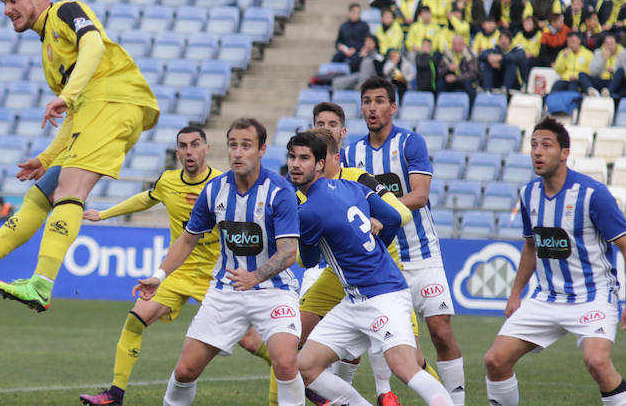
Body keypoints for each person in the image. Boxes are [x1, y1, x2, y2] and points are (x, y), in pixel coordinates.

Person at [0, 0, 159, 312]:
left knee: (69, 191)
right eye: (4, 2)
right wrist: (48, 158)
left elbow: (93, 44)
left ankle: (41, 284)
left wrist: (68, 95)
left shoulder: (65, 11)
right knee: (40, 196)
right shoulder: (48, 52)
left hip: (117, 101)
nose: (7, 9)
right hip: (98, 109)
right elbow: (77, 113)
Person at [78, 127, 270, 406]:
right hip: (177, 270)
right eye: (183, 146)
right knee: (135, 320)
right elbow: (145, 199)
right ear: (177, 152)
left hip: (217, 274)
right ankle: (115, 394)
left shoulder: (224, 182)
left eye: (194, 145)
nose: (189, 151)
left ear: (206, 149)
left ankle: (294, 370)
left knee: (251, 342)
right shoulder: (168, 181)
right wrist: (105, 213)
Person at [133, 118, 305, 406]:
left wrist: (255, 277)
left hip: (275, 292)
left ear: (262, 149)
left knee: (286, 363)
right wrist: (159, 276)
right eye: (233, 145)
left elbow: (289, 251)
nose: (238, 152)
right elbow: (187, 239)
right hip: (226, 292)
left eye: (246, 146)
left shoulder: (279, 191)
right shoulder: (214, 191)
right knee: (185, 371)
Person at [295, 130, 454, 406]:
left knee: (405, 367)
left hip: (383, 297)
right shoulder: (353, 187)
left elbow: (308, 261)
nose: (296, 164)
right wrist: (374, 243)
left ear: (321, 164)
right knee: (304, 365)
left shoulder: (309, 210)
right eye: (292, 157)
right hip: (355, 301)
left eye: (304, 158)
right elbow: (392, 216)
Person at [483, 117, 626, 406]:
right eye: (533, 145)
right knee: (495, 361)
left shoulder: (593, 195)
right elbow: (530, 246)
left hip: (593, 297)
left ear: (565, 153)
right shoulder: (528, 194)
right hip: (546, 298)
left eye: (546, 145)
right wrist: (515, 295)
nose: (537, 151)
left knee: (597, 362)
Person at [343, 77, 466, 406]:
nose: (372, 107)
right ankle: (382, 395)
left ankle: (458, 400)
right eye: (367, 101)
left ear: (393, 107)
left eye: (380, 100)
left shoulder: (411, 143)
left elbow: (420, 195)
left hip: (422, 255)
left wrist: (380, 213)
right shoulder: (351, 153)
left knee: (440, 330)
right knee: (394, 344)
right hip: (382, 262)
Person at [579, 32, 626, 97]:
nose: (609, 46)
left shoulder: (623, 53)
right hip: (602, 80)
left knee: (620, 70)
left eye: (612, 44)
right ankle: (591, 91)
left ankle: (608, 92)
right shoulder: (598, 53)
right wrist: (603, 59)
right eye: (607, 44)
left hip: (615, 81)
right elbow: (593, 72)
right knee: (582, 74)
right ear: (603, 44)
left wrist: (613, 71)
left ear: (616, 44)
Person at [438, 34, 478, 103]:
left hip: (465, 80)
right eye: (454, 44)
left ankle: (470, 111)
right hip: (452, 80)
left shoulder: (470, 54)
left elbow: (473, 73)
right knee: (441, 84)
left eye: (459, 44)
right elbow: (439, 71)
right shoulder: (447, 54)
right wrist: (448, 69)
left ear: (464, 44)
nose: (457, 47)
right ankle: (441, 107)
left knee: (469, 87)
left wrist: (456, 77)